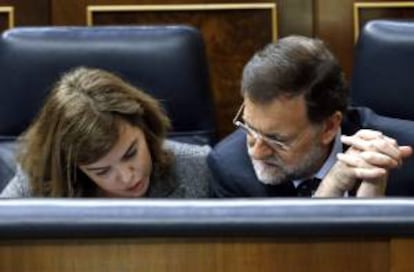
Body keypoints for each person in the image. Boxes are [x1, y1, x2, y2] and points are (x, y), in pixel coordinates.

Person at [208, 35, 413, 198]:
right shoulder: (231, 170)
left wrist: (377, 213)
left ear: (329, 127)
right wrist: (333, 186)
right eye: (249, 128)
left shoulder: (406, 157)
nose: (257, 152)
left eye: (277, 139)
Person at [0, 67, 212, 198]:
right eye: (102, 171)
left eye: (131, 153)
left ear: (144, 126)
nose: (128, 176)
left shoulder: (199, 167)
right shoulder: (36, 183)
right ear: (73, 168)